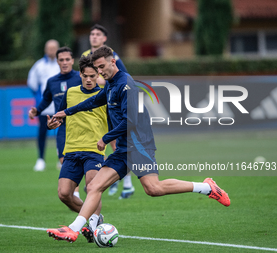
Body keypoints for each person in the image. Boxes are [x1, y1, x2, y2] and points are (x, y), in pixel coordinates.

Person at [46, 46, 231, 243]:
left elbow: (130, 121)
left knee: (153, 189)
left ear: (113, 62)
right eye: (97, 68)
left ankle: (206, 187)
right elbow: (93, 101)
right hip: (124, 148)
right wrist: (65, 112)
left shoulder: (126, 85)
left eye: (101, 67)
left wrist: (105, 138)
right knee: (94, 187)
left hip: (139, 144)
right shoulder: (110, 84)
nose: (99, 72)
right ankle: (73, 230)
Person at [46, 55, 107, 242]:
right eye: (85, 76)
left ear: (98, 75)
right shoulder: (71, 93)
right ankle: (93, 217)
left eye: (92, 76)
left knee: (92, 187)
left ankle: (93, 223)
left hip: (93, 150)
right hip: (71, 150)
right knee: (64, 194)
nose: (89, 80)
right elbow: (60, 116)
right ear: (80, 75)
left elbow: (114, 121)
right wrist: (52, 124)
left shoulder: (105, 94)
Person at [82, 24, 134, 199]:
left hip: (111, 102)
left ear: (104, 38)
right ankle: (103, 180)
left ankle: (126, 183)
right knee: (96, 141)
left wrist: (105, 83)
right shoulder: (84, 56)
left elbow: (122, 76)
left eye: (98, 34)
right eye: (92, 34)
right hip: (96, 105)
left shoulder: (111, 54)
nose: (94, 37)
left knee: (115, 143)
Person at [28, 46, 82, 199]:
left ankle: (77, 194)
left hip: (82, 126)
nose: (64, 62)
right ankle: (75, 194)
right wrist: (36, 111)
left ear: (72, 60)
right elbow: (46, 100)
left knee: (83, 161)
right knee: (65, 161)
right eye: (61, 60)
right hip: (63, 127)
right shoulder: (52, 82)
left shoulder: (81, 77)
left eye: (67, 59)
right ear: (57, 62)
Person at [27, 39, 60, 171]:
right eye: (49, 48)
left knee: (61, 134)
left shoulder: (61, 65)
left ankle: (61, 159)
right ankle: (41, 159)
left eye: (54, 48)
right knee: (42, 133)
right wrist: (40, 99)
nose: (51, 51)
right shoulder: (39, 65)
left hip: (59, 107)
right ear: (45, 50)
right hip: (44, 107)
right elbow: (32, 84)